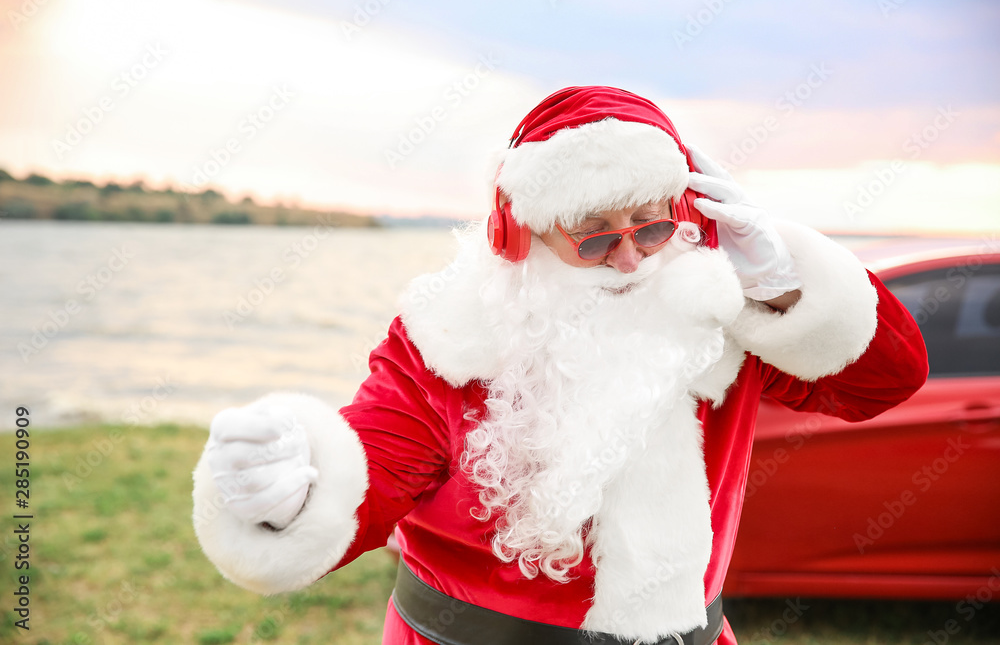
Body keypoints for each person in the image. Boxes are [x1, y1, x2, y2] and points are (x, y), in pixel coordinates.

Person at [191, 86, 928, 645]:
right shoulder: (451, 334)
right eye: (594, 237)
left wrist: (785, 279)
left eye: (653, 225)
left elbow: (883, 381)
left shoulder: (720, 312)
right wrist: (284, 496)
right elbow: (371, 471)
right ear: (524, 235)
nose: (633, 257)